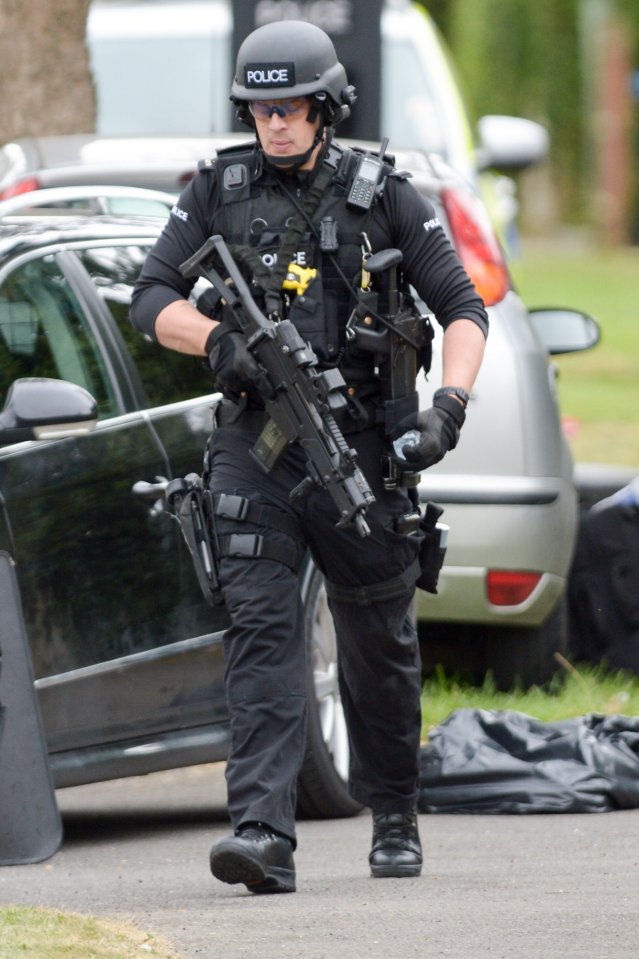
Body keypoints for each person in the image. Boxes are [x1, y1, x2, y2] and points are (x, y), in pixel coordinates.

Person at [131, 19, 488, 894]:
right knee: (261, 631)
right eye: (260, 110)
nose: (274, 125)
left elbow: (466, 309)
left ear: (325, 107)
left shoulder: (387, 194)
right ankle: (261, 831)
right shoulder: (219, 187)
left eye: (289, 108)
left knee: (377, 641)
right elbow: (151, 297)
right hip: (257, 447)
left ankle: (394, 811)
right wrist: (221, 342)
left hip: (363, 447)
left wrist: (447, 409)